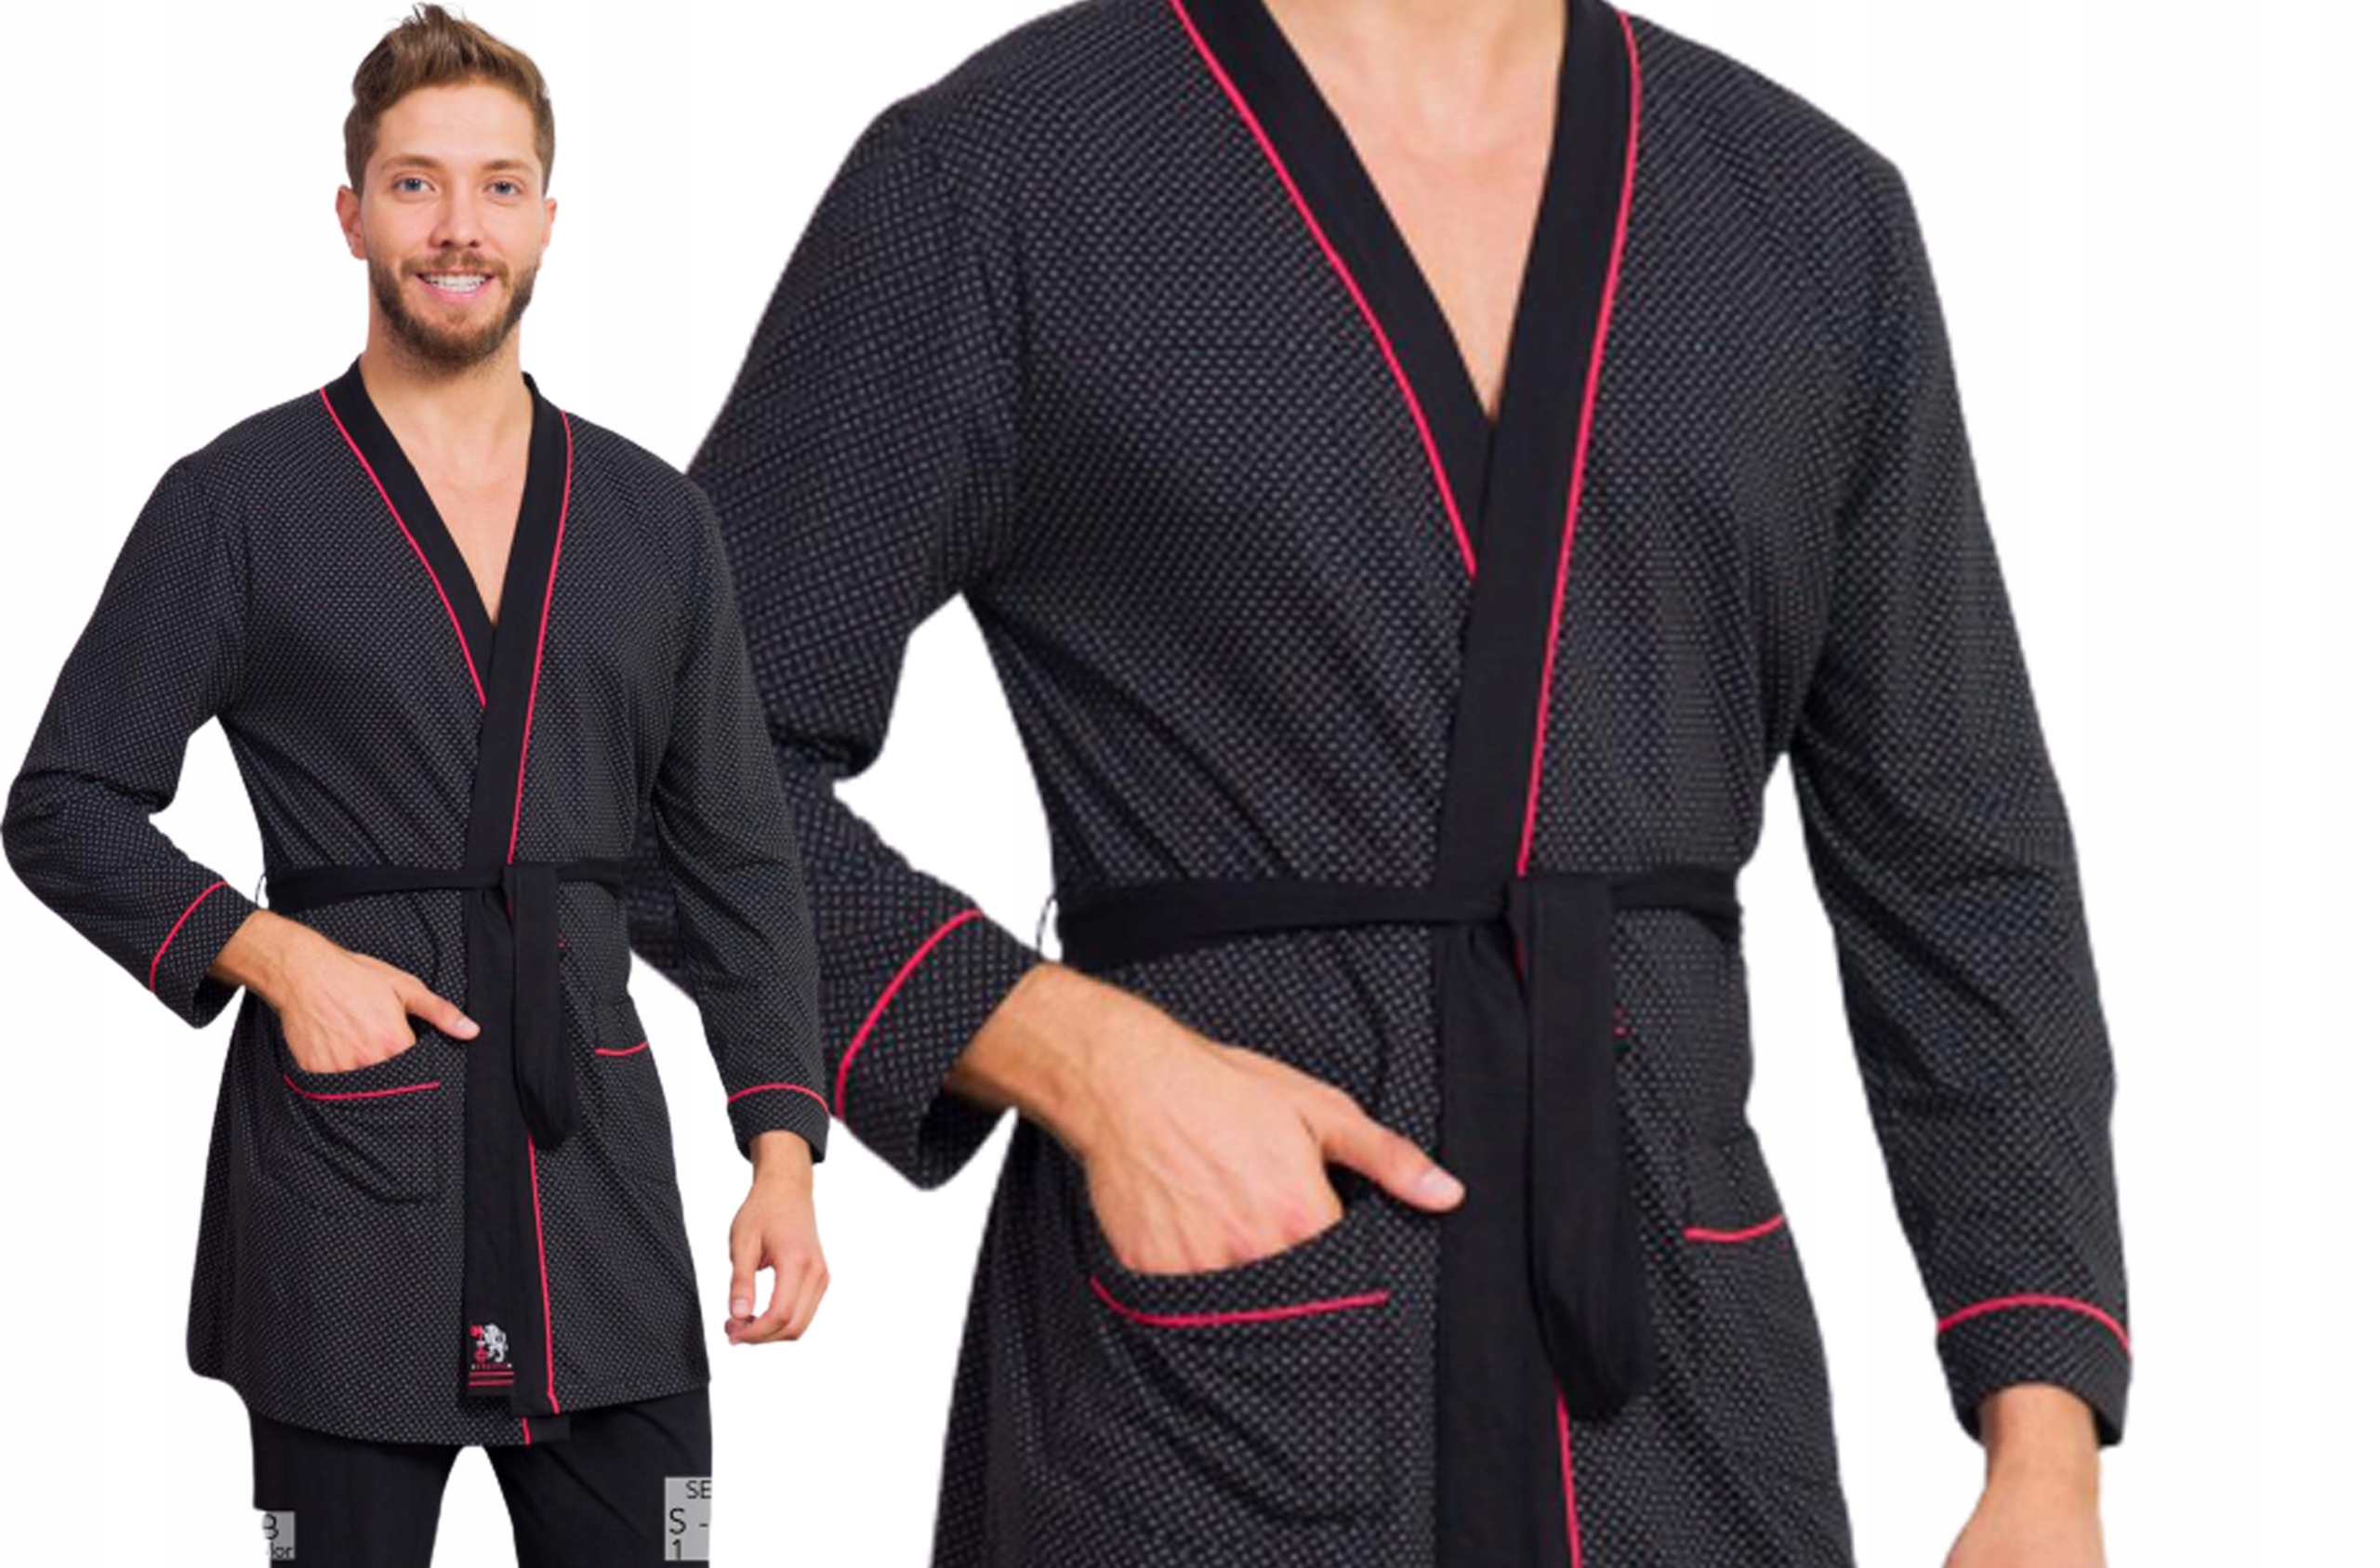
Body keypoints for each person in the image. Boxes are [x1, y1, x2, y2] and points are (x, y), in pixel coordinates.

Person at [622, 1, 2128, 1562]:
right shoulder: (1016, 171)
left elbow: (1963, 857)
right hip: (1212, 1373)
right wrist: (1082, 1061)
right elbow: (654, 749)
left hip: (1677, 1384)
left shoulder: (1805, 216)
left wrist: (2045, 1455)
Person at [3, 7, 829, 1563]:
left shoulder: (656, 521)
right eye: (416, 184)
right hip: (348, 1192)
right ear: (351, 215)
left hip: (596, 1195)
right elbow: (63, 802)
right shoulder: (240, 503)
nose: (460, 226)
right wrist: (273, 956)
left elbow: (740, 855)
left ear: (548, 219)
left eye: (499, 186)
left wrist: (781, 1147)